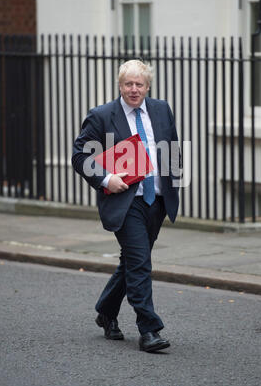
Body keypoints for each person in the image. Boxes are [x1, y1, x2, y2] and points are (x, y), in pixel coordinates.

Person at [72, 59, 180, 353]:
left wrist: (174, 188)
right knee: (140, 262)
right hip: (125, 200)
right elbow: (80, 156)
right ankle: (149, 330)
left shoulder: (161, 109)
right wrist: (106, 179)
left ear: (147, 86)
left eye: (139, 84)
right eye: (128, 84)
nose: (134, 89)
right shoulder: (102, 115)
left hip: (155, 199)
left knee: (133, 261)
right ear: (120, 85)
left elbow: (172, 147)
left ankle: (106, 311)